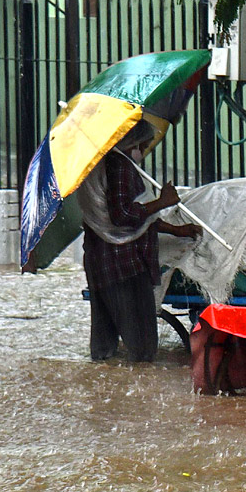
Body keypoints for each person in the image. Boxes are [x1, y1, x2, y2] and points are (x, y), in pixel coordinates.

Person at [76, 121, 200, 362]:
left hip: (100, 264)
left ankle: (106, 390)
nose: (143, 151)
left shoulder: (102, 166)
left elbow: (137, 214)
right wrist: (163, 202)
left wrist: (175, 230)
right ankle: (136, 392)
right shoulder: (119, 167)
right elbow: (123, 216)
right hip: (124, 265)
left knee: (104, 347)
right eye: (142, 146)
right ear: (131, 143)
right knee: (142, 347)